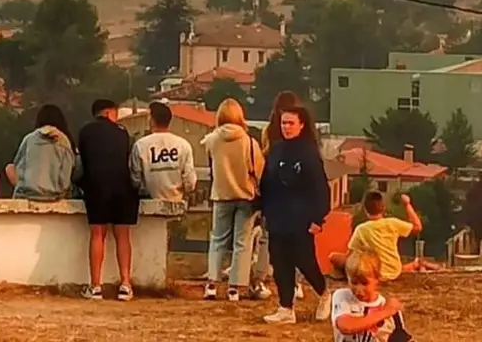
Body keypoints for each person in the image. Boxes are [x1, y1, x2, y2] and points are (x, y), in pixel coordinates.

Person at [259, 104, 331, 324]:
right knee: (280, 263)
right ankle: (285, 308)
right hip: (278, 217)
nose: (286, 127)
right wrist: (263, 209)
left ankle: (324, 294)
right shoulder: (276, 150)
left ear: (301, 125)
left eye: (291, 123)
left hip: (301, 218)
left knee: (305, 261)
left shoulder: (308, 153)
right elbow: (267, 182)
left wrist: (318, 218)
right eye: (283, 123)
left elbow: (320, 187)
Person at [328, 191, 420, 336]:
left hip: (373, 269)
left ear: (365, 209)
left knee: (334, 257)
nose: (358, 290)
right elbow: (417, 227)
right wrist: (407, 205)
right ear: (383, 208)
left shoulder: (361, 229)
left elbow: (351, 255)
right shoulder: (392, 223)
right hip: (394, 270)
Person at [200, 98, 265, 302]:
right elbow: (259, 171)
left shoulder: (211, 140)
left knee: (217, 239)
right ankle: (234, 288)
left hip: (221, 195)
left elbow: (209, 159)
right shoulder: (249, 142)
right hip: (245, 197)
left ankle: (211, 284)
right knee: (242, 242)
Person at [77, 98, 139, 301]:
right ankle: (126, 284)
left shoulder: (85, 131)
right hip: (122, 187)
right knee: (123, 235)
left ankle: (95, 286)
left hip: (96, 186)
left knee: (97, 235)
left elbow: (82, 162)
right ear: (111, 113)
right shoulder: (122, 132)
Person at [330, 254, 413, 342]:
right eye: (354, 283)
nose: (358, 289)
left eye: (364, 283)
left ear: (377, 279)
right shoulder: (343, 297)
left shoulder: (390, 308)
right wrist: (385, 312)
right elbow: (346, 327)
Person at [6, 104, 77, 201]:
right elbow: (66, 176)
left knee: (9, 167)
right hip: (54, 196)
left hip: (27, 195)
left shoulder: (29, 139)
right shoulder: (64, 141)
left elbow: (18, 167)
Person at [130, 102, 197, 203]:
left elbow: (135, 181)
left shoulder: (140, 145)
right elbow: (190, 182)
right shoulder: (184, 145)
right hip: (177, 204)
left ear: (151, 120)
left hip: (147, 205)